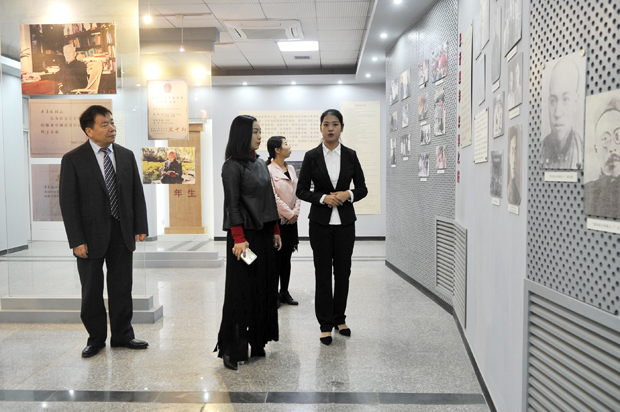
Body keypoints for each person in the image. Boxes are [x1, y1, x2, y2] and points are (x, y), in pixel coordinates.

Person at [59, 105, 149, 358]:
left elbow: (136, 193)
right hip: (89, 237)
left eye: (112, 122)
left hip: (122, 232)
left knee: (122, 287)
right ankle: (96, 339)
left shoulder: (125, 155)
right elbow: (68, 203)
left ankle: (122, 335)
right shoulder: (73, 159)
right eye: (104, 124)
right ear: (89, 131)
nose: (112, 128)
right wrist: (76, 240)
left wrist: (141, 226)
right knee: (91, 290)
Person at [215, 115, 282, 370]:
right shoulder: (232, 166)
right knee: (240, 293)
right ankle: (232, 348)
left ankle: (258, 340)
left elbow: (269, 199)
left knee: (263, 289)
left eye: (260, 131)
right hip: (244, 239)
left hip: (263, 236)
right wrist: (239, 238)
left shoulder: (261, 164)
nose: (259, 136)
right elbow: (232, 204)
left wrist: (275, 229)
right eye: (255, 131)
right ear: (242, 134)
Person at [296, 109, 368, 346]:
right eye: (326, 124)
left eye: (335, 124)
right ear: (320, 127)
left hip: (345, 224)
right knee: (323, 274)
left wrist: (348, 194)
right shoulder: (311, 156)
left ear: (342, 128)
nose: (330, 128)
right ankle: (325, 325)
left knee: (343, 273)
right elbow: (301, 190)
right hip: (320, 224)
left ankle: (340, 319)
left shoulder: (350, 155)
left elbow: (363, 188)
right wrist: (322, 198)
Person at [266, 136, 301, 307]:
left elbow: (298, 193)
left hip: (291, 222)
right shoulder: (269, 170)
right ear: (277, 150)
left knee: (287, 259)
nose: (289, 146)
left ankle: (284, 292)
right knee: (276, 260)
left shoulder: (291, 168)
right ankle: (273, 294)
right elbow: (273, 198)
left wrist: (295, 213)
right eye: (286, 144)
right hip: (277, 222)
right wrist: (288, 213)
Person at [540, 58, 583, 169]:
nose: (557, 113)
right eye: (553, 101)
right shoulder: (539, 151)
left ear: (575, 102)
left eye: (565, 100)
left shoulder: (582, 151)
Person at [584, 99, 620, 219]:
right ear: (596, 149)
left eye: (618, 137)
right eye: (605, 139)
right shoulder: (587, 192)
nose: (612, 147)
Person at [507, 127, 521, 205]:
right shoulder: (508, 190)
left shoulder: (517, 192)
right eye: (512, 152)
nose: (514, 160)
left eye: (515, 152)